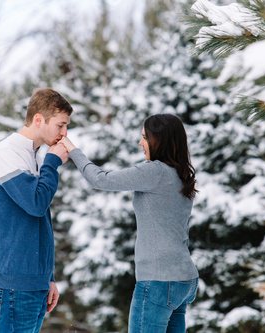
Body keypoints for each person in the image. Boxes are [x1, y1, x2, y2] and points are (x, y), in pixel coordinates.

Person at [60, 113, 199, 333]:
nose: (140, 142)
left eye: (145, 137)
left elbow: (100, 179)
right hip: (184, 280)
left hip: (158, 280)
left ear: (159, 140)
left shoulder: (155, 171)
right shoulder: (180, 174)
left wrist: (72, 150)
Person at [0, 88, 72, 332]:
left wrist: (48, 277)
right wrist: (52, 163)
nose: (64, 133)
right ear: (38, 119)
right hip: (14, 288)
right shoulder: (6, 152)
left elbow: (37, 223)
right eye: (60, 125)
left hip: (32, 285)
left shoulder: (32, 155)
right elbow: (36, 204)